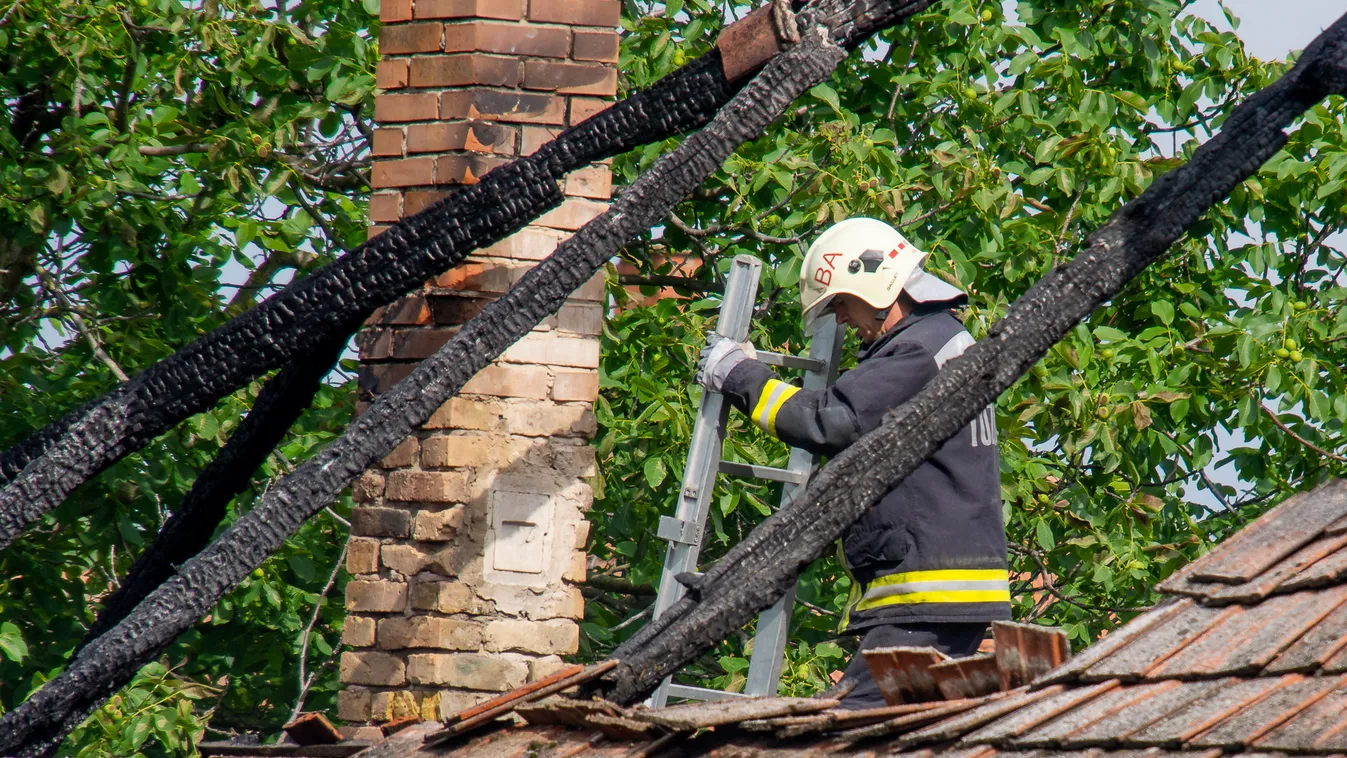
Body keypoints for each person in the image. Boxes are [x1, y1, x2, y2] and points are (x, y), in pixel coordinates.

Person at [696, 217, 1009, 709]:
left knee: (851, 724)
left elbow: (829, 421)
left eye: (840, 302)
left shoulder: (917, 350)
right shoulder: (939, 342)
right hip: (940, 591)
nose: (840, 321)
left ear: (875, 283)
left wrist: (739, 374)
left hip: (925, 595)